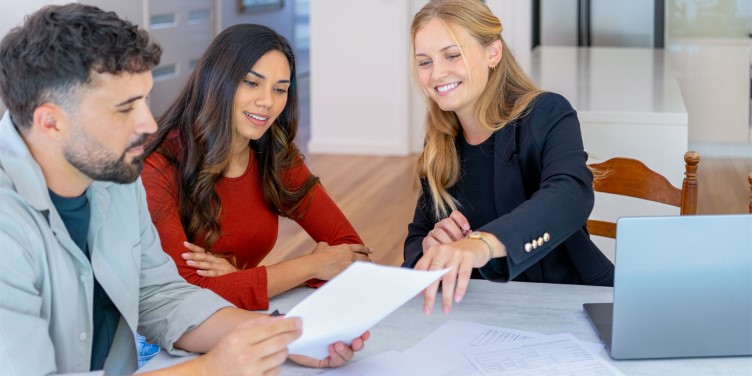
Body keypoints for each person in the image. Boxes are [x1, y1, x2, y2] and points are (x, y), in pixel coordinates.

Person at [0, 4, 367, 375]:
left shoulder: (116, 177)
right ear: (50, 122)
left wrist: (281, 337)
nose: (147, 123)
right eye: (126, 108)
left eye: (145, 100)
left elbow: (162, 296)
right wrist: (211, 369)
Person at [402, 0, 614, 315]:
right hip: (481, 310)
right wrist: (430, 250)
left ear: (493, 53)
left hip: (569, 303)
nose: (437, 74)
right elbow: (418, 236)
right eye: (424, 62)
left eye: (452, 55)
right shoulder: (441, 140)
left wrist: (481, 245)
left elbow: (570, 195)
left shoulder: (547, 113)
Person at [141, 24, 372, 311]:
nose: (267, 102)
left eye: (280, 90)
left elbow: (353, 255)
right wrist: (312, 264)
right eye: (252, 83)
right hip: (162, 339)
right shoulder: (158, 164)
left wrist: (240, 280)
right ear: (216, 80)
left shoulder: (273, 153)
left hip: (238, 319)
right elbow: (185, 296)